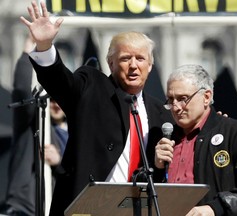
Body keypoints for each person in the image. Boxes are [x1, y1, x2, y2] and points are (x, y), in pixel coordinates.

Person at [20, 1, 174, 215]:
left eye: (140, 58)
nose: (133, 65)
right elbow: (61, 83)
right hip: (88, 208)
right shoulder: (91, 87)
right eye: (125, 58)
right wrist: (45, 46)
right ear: (110, 63)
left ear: (150, 65)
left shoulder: (161, 113)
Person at [155, 64, 237, 216]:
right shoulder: (165, 138)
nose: (175, 107)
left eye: (183, 99)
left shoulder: (235, 132)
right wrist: (155, 167)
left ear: (206, 97)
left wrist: (214, 209)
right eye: (170, 100)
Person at [0, 35, 68, 216]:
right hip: (24, 210)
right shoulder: (32, 126)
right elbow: (22, 91)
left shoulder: (75, 134)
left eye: (59, 99)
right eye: (51, 98)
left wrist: (60, 162)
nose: (55, 103)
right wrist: (29, 48)